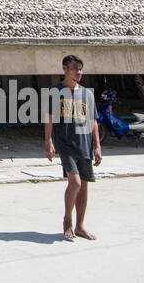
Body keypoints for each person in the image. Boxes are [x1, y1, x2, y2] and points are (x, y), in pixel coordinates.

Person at [43, 54, 101, 241]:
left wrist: (98, 146)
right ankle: (67, 222)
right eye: (74, 68)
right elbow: (49, 118)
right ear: (64, 69)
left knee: (83, 186)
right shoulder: (55, 91)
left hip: (85, 144)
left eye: (80, 68)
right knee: (74, 183)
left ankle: (80, 225)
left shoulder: (87, 94)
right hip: (65, 143)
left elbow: (93, 121)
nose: (78, 72)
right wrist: (48, 142)